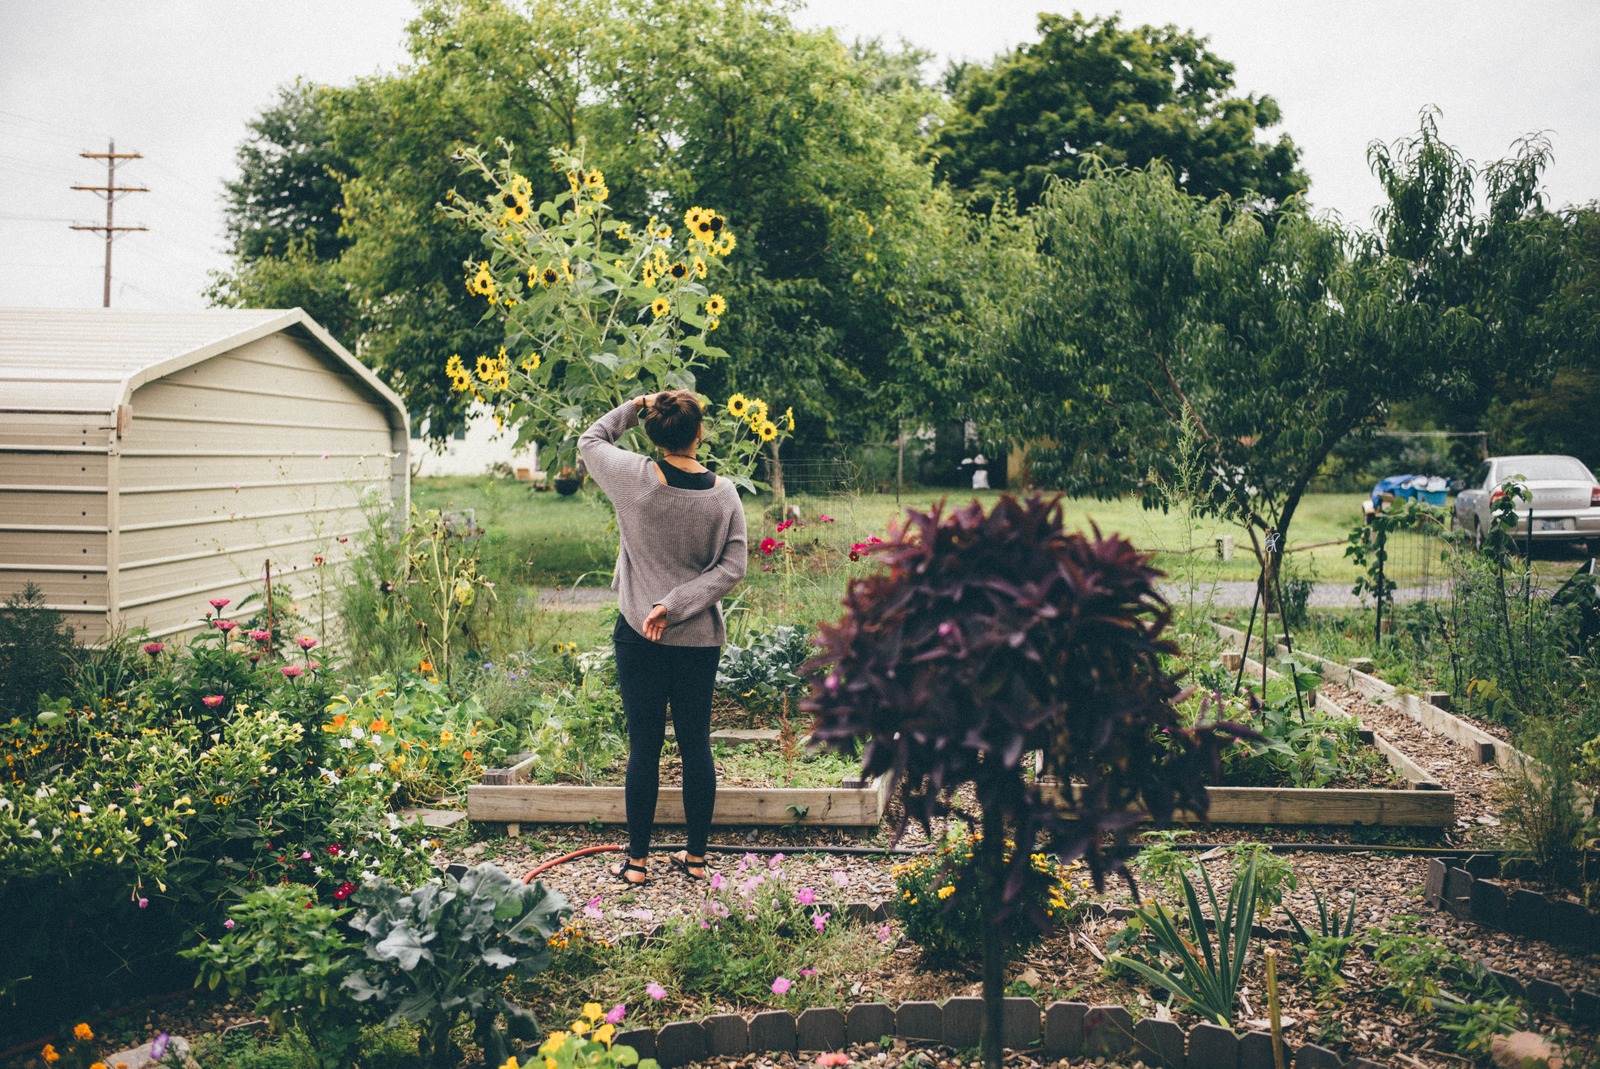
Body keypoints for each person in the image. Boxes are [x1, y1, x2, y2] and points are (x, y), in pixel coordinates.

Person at [578, 392, 748, 884]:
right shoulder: (725, 495)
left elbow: (591, 438)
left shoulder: (631, 478)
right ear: (700, 434)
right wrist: (677, 604)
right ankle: (696, 860)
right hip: (698, 638)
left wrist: (635, 405)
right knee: (696, 744)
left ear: (653, 434)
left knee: (644, 747)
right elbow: (732, 568)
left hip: (638, 634)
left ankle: (635, 864)